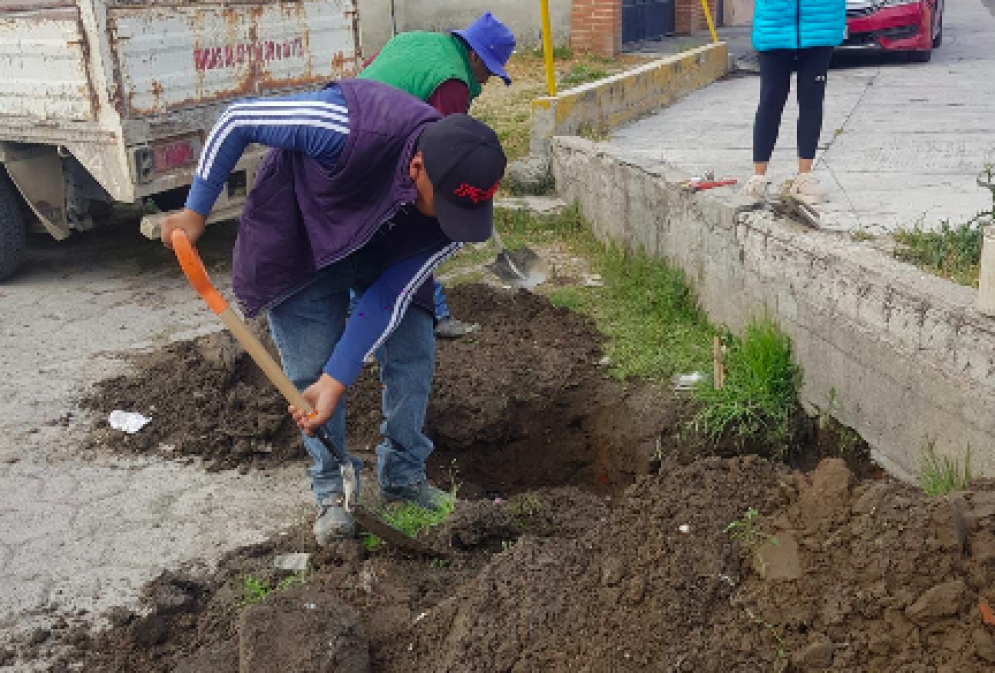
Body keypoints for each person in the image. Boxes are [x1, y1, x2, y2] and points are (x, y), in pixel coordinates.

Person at [159, 79, 506, 545]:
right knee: (310, 371)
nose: (452, 221)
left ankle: (404, 477)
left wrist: (338, 378)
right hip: (300, 238)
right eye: (444, 206)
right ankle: (333, 492)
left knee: (413, 352)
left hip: (387, 247)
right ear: (417, 167)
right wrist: (195, 212)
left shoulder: (459, 218)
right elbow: (237, 119)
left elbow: (388, 297)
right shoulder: (347, 127)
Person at [359, 11, 516, 339]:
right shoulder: (452, 81)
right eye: (488, 69)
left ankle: (359, 308)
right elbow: (443, 154)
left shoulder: (414, 40)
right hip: (379, 150)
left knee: (367, 233)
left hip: (357, 133)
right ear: (474, 55)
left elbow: (368, 72)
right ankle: (437, 314)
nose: (487, 80)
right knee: (419, 230)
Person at [743, 0, 846, 205]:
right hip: (774, 21)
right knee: (770, 98)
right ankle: (758, 177)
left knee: (811, 99)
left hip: (820, 20)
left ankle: (804, 177)